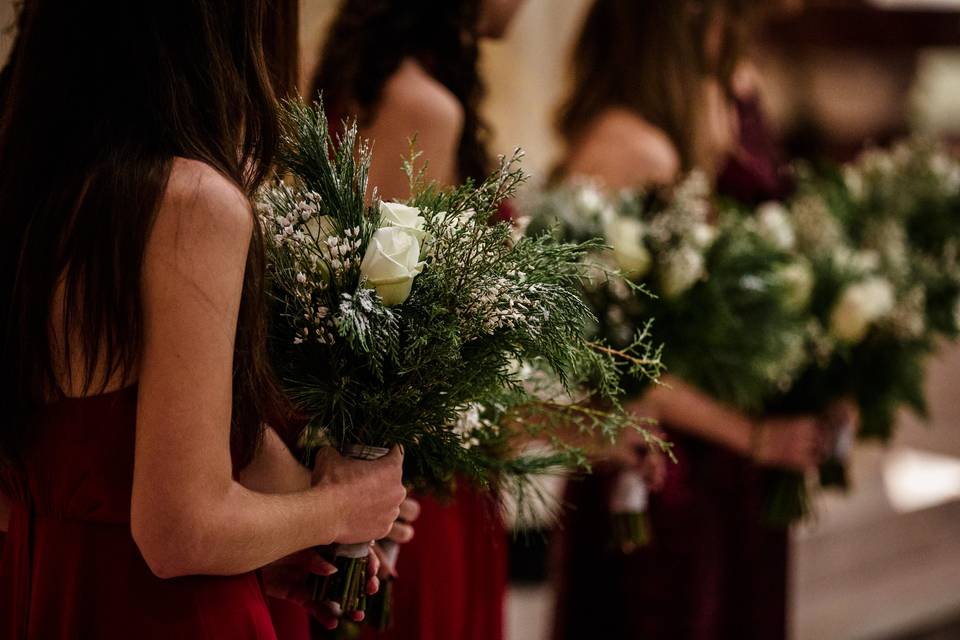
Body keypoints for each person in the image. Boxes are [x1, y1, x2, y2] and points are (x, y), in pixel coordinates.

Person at [0, 2, 408, 637]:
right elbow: (179, 532)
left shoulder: (36, 187)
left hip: (47, 594)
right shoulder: (189, 203)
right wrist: (345, 506)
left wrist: (258, 552)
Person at [550, 2, 836, 638]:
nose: (721, 31)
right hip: (659, 466)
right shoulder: (629, 147)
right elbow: (609, 356)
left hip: (703, 458)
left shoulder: (677, 130)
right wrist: (754, 436)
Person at [311, 1, 525, 638]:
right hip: (420, 485)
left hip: (391, 465)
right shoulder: (423, 108)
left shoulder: (356, 78)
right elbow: (399, 329)